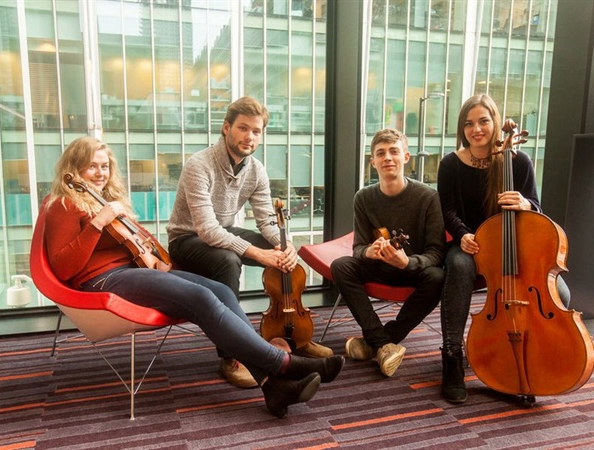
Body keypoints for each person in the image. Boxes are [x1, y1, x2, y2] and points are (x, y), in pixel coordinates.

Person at [43, 136, 344, 419]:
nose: (100, 172)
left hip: (135, 271)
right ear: (74, 167)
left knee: (220, 291)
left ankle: (273, 388)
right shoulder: (64, 204)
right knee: (199, 297)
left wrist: (155, 256)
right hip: (101, 280)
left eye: (105, 166)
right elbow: (63, 268)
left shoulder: (106, 200)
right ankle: (285, 363)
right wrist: (97, 223)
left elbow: (135, 242)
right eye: (92, 165)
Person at [166, 96, 334, 387]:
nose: (250, 136)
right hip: (187, 238)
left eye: (256, 131)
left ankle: (293, 334)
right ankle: (231, 356)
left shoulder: (256, 169)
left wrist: (286, 245)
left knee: (279, 253)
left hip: (225, 230)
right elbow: (206, 230)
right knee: (229, 261)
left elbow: (267, 219)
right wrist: (258, 254)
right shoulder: (199, 165)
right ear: (226, 128)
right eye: (243, 128)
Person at [437, 94, 571, 404]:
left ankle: (524, 355)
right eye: (469, 123)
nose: (476, 129)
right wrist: (462, 235)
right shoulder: (451, 164)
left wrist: (525, 204)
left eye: (483, 121)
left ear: (496, 123)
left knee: (560, 294)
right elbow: (448, 209)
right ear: (462, 128)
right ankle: (452, 355)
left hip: (514, 246)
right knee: (459, 266)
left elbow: (536, 205)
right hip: (471, 243)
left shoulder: (518, 160)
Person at [330, 128, 446, 377]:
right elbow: (358, 248)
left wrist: (408, 262)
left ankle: (377, 341)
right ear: (373, 162)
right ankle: (382, 344)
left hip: (411, 270)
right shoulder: (363, 198)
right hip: (380, 267)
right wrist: (368, 252)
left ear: (406, 157)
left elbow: (437, 252)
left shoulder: (428, 197)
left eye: (394, 151)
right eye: (380, 153)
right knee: (341, 265)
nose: (388, 158)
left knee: (437, 277)